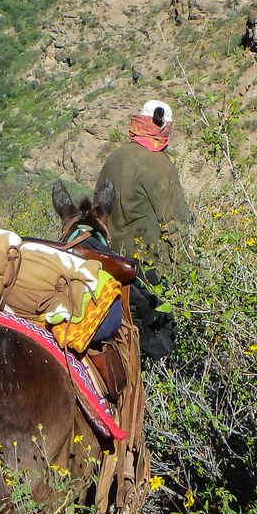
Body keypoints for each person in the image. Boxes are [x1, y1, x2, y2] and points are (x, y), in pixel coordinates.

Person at [95, 99, 191, 358]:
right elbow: (177, 226)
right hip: (150, 273)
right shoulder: (159, 164)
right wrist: (189, 277)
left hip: (110, 267)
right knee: (162, 348)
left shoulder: (113, 158)